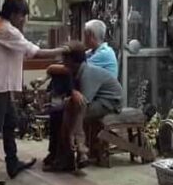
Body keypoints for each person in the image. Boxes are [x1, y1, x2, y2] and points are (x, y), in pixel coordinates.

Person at [0, 0, 62, 185]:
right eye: (22, 15)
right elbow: (33, 51)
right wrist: (62, 51)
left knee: (10, 122)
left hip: (1, 85)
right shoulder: (6, 30)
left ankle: (13, 162)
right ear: (14, 14)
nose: (24, 19)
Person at [45, 41, 123, 173]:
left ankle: (71, 156)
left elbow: (82, 102)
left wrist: (68, 100)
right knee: (59, 112)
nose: (63, 62)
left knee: (70, 114)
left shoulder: (87, 73)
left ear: (73, 60)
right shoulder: (75, 71)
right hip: (94, 100)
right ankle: (64, 154)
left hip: (109, 103)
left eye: (66, 59)